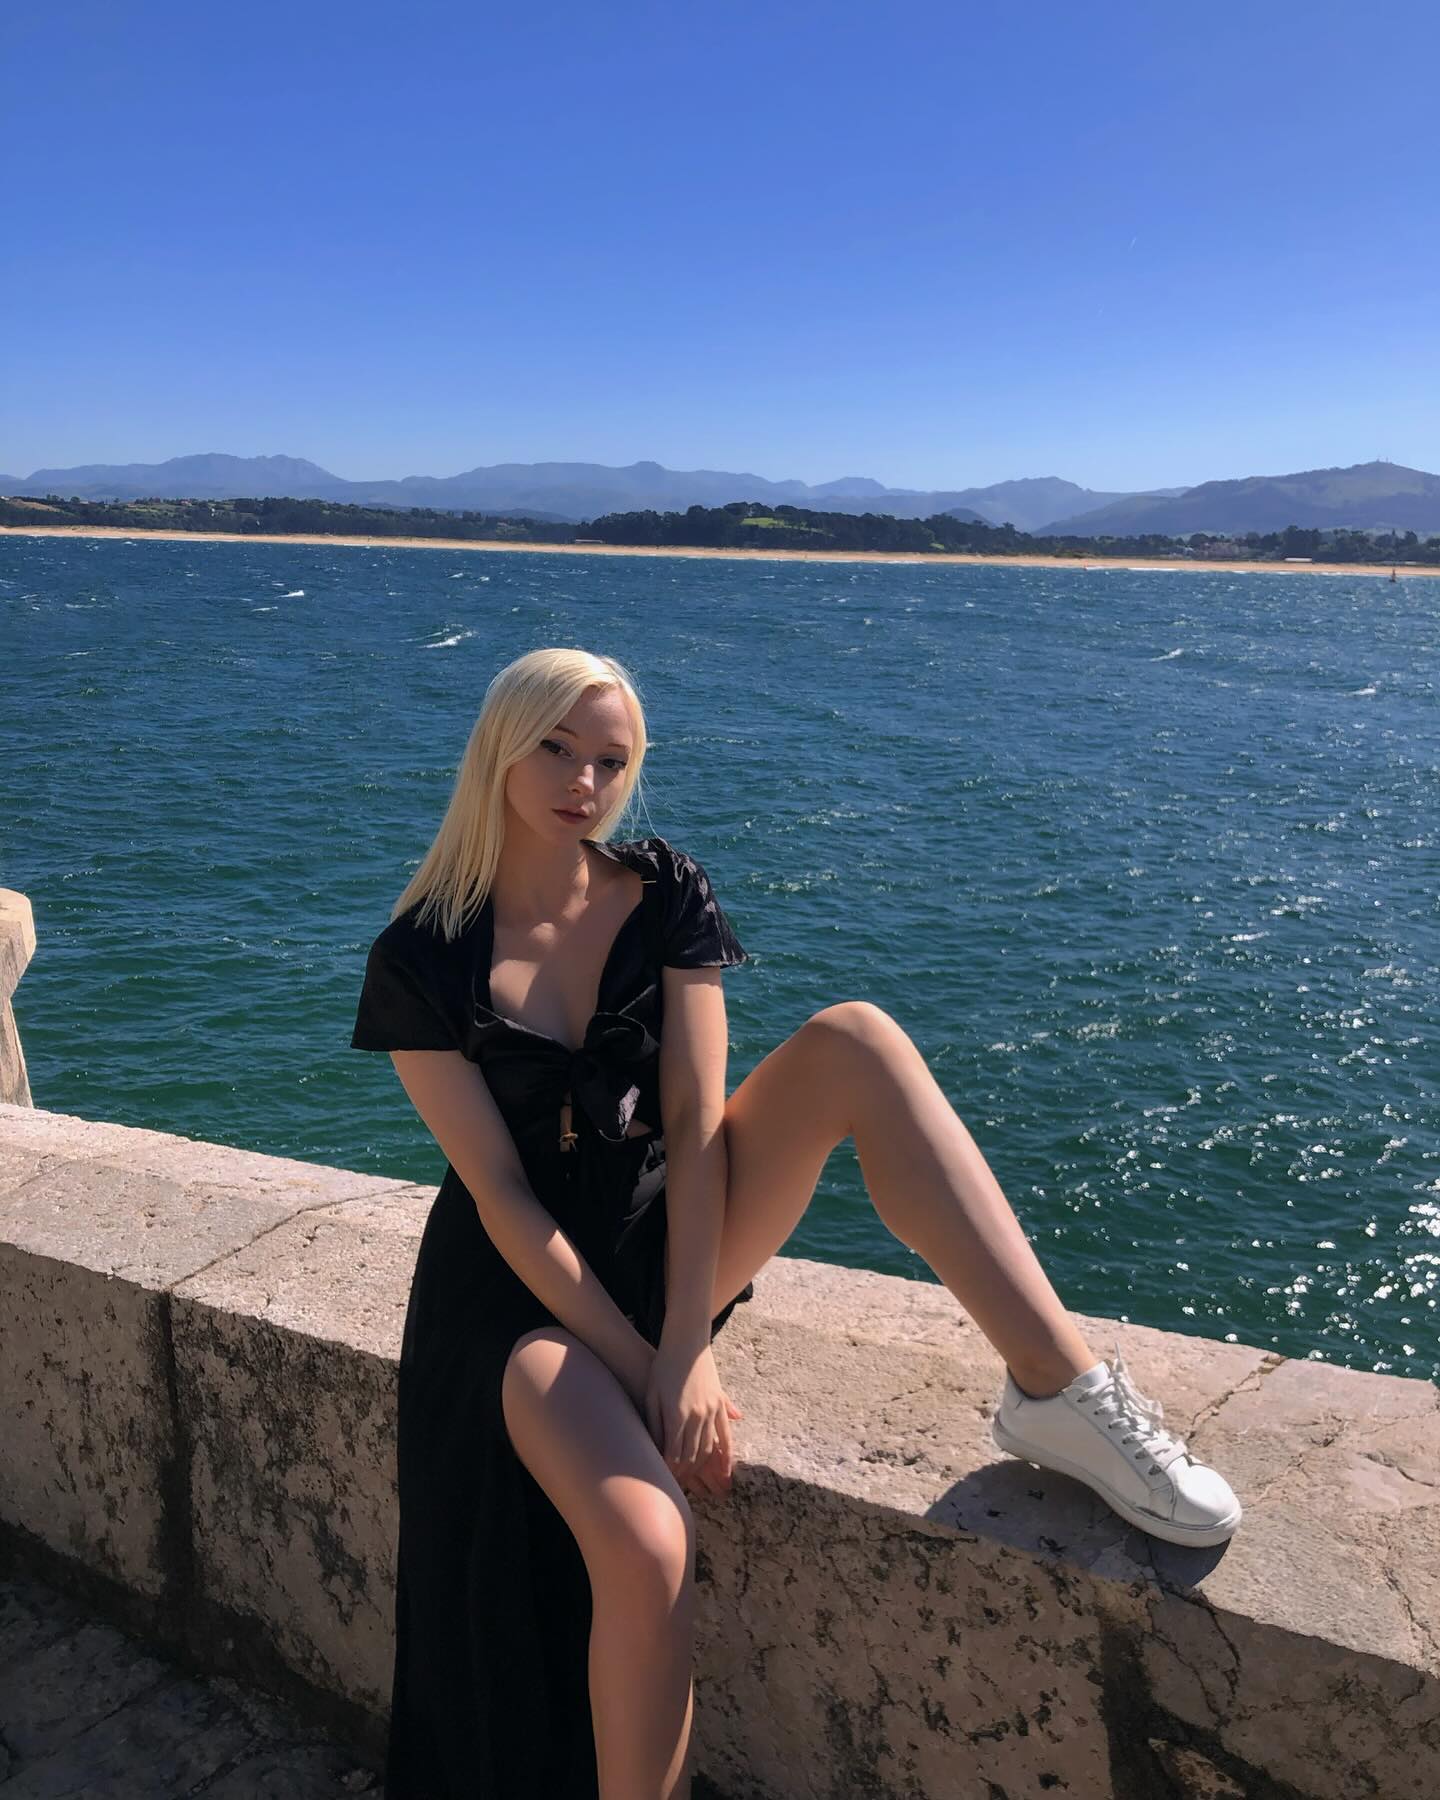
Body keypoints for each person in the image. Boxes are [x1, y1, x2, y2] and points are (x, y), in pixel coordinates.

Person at [351, 646, 1242, 1799]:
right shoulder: (420, 956)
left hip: (668, 1235)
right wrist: (642, 1363)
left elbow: (693, 1120)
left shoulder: (662, 889)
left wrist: (690, 1339)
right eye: (557, 749)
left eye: (612, 761)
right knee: (650, 1545)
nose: (585, 782)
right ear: (500, 747)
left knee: (857, 1040)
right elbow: (501, 1197)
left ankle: (1058, 1392)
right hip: (524, 1296)